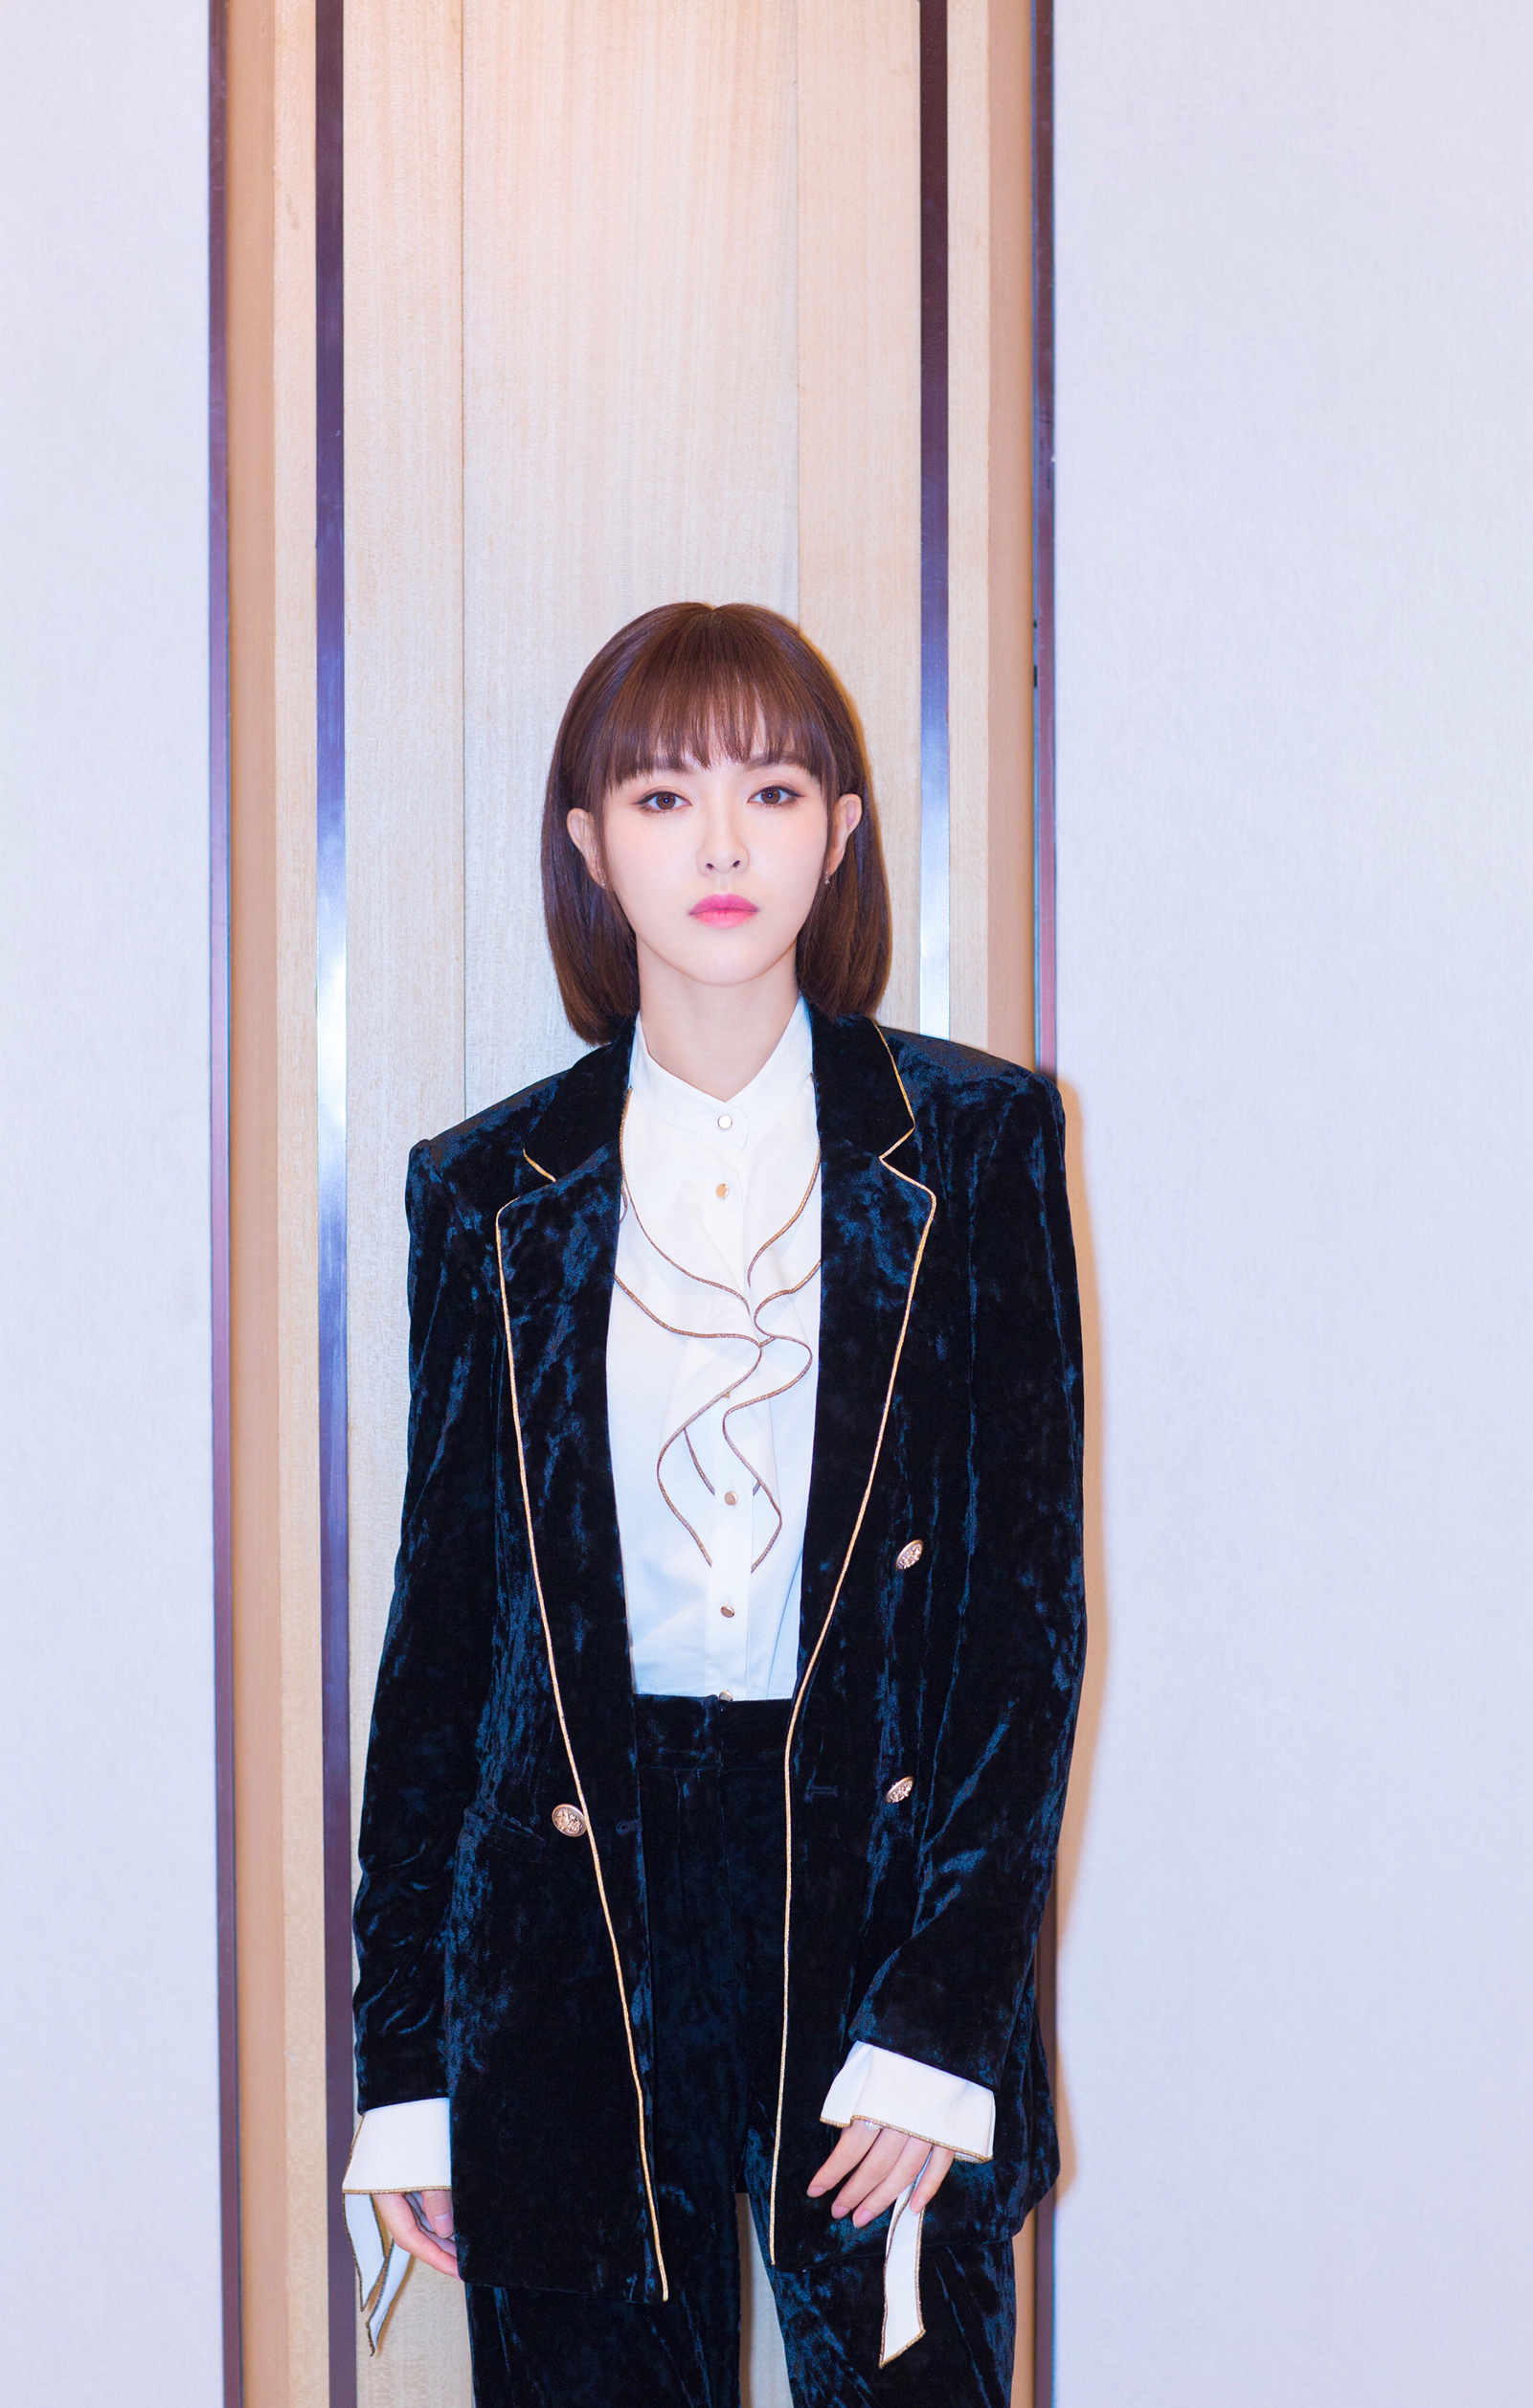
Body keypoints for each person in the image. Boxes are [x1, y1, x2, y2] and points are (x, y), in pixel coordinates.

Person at [342, 602, 1085, 2405]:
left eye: (772, 789)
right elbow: (442, 1646)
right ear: (590, 846)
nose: (724, 843)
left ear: (842, 832)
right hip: (568, 1929)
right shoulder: (487, 1190)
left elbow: (1024, 1620)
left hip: (875, 1896)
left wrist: (944, 2011)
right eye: (665, 797)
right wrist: (408, 2059)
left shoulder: (976, 1146)